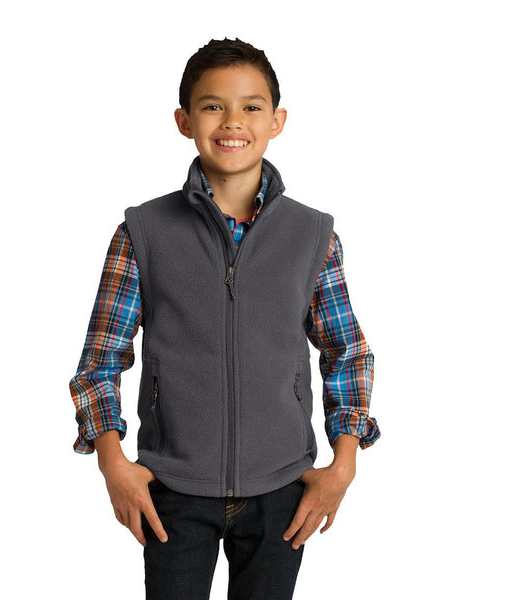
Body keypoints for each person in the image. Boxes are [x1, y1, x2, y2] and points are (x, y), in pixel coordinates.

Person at [69, 37, 381, 600]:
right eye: (213, 105)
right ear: (184, 121)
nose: (233, 121)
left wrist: (344, 463)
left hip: (282, 489)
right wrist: (113, 463)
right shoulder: (142, 232)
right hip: (173, 489)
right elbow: (100, 360)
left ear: (277, 121)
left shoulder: (312, 236)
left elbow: (346, 351)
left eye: (251, 106)